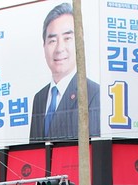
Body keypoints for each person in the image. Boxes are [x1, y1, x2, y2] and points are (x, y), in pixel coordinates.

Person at [29, 2, 100, 143]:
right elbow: (33, 150)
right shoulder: (39, 98)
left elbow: (94, 147)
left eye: (67, 38)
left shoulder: (93, 93)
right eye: (52, 40)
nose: (59, 48)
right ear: (44, 46)